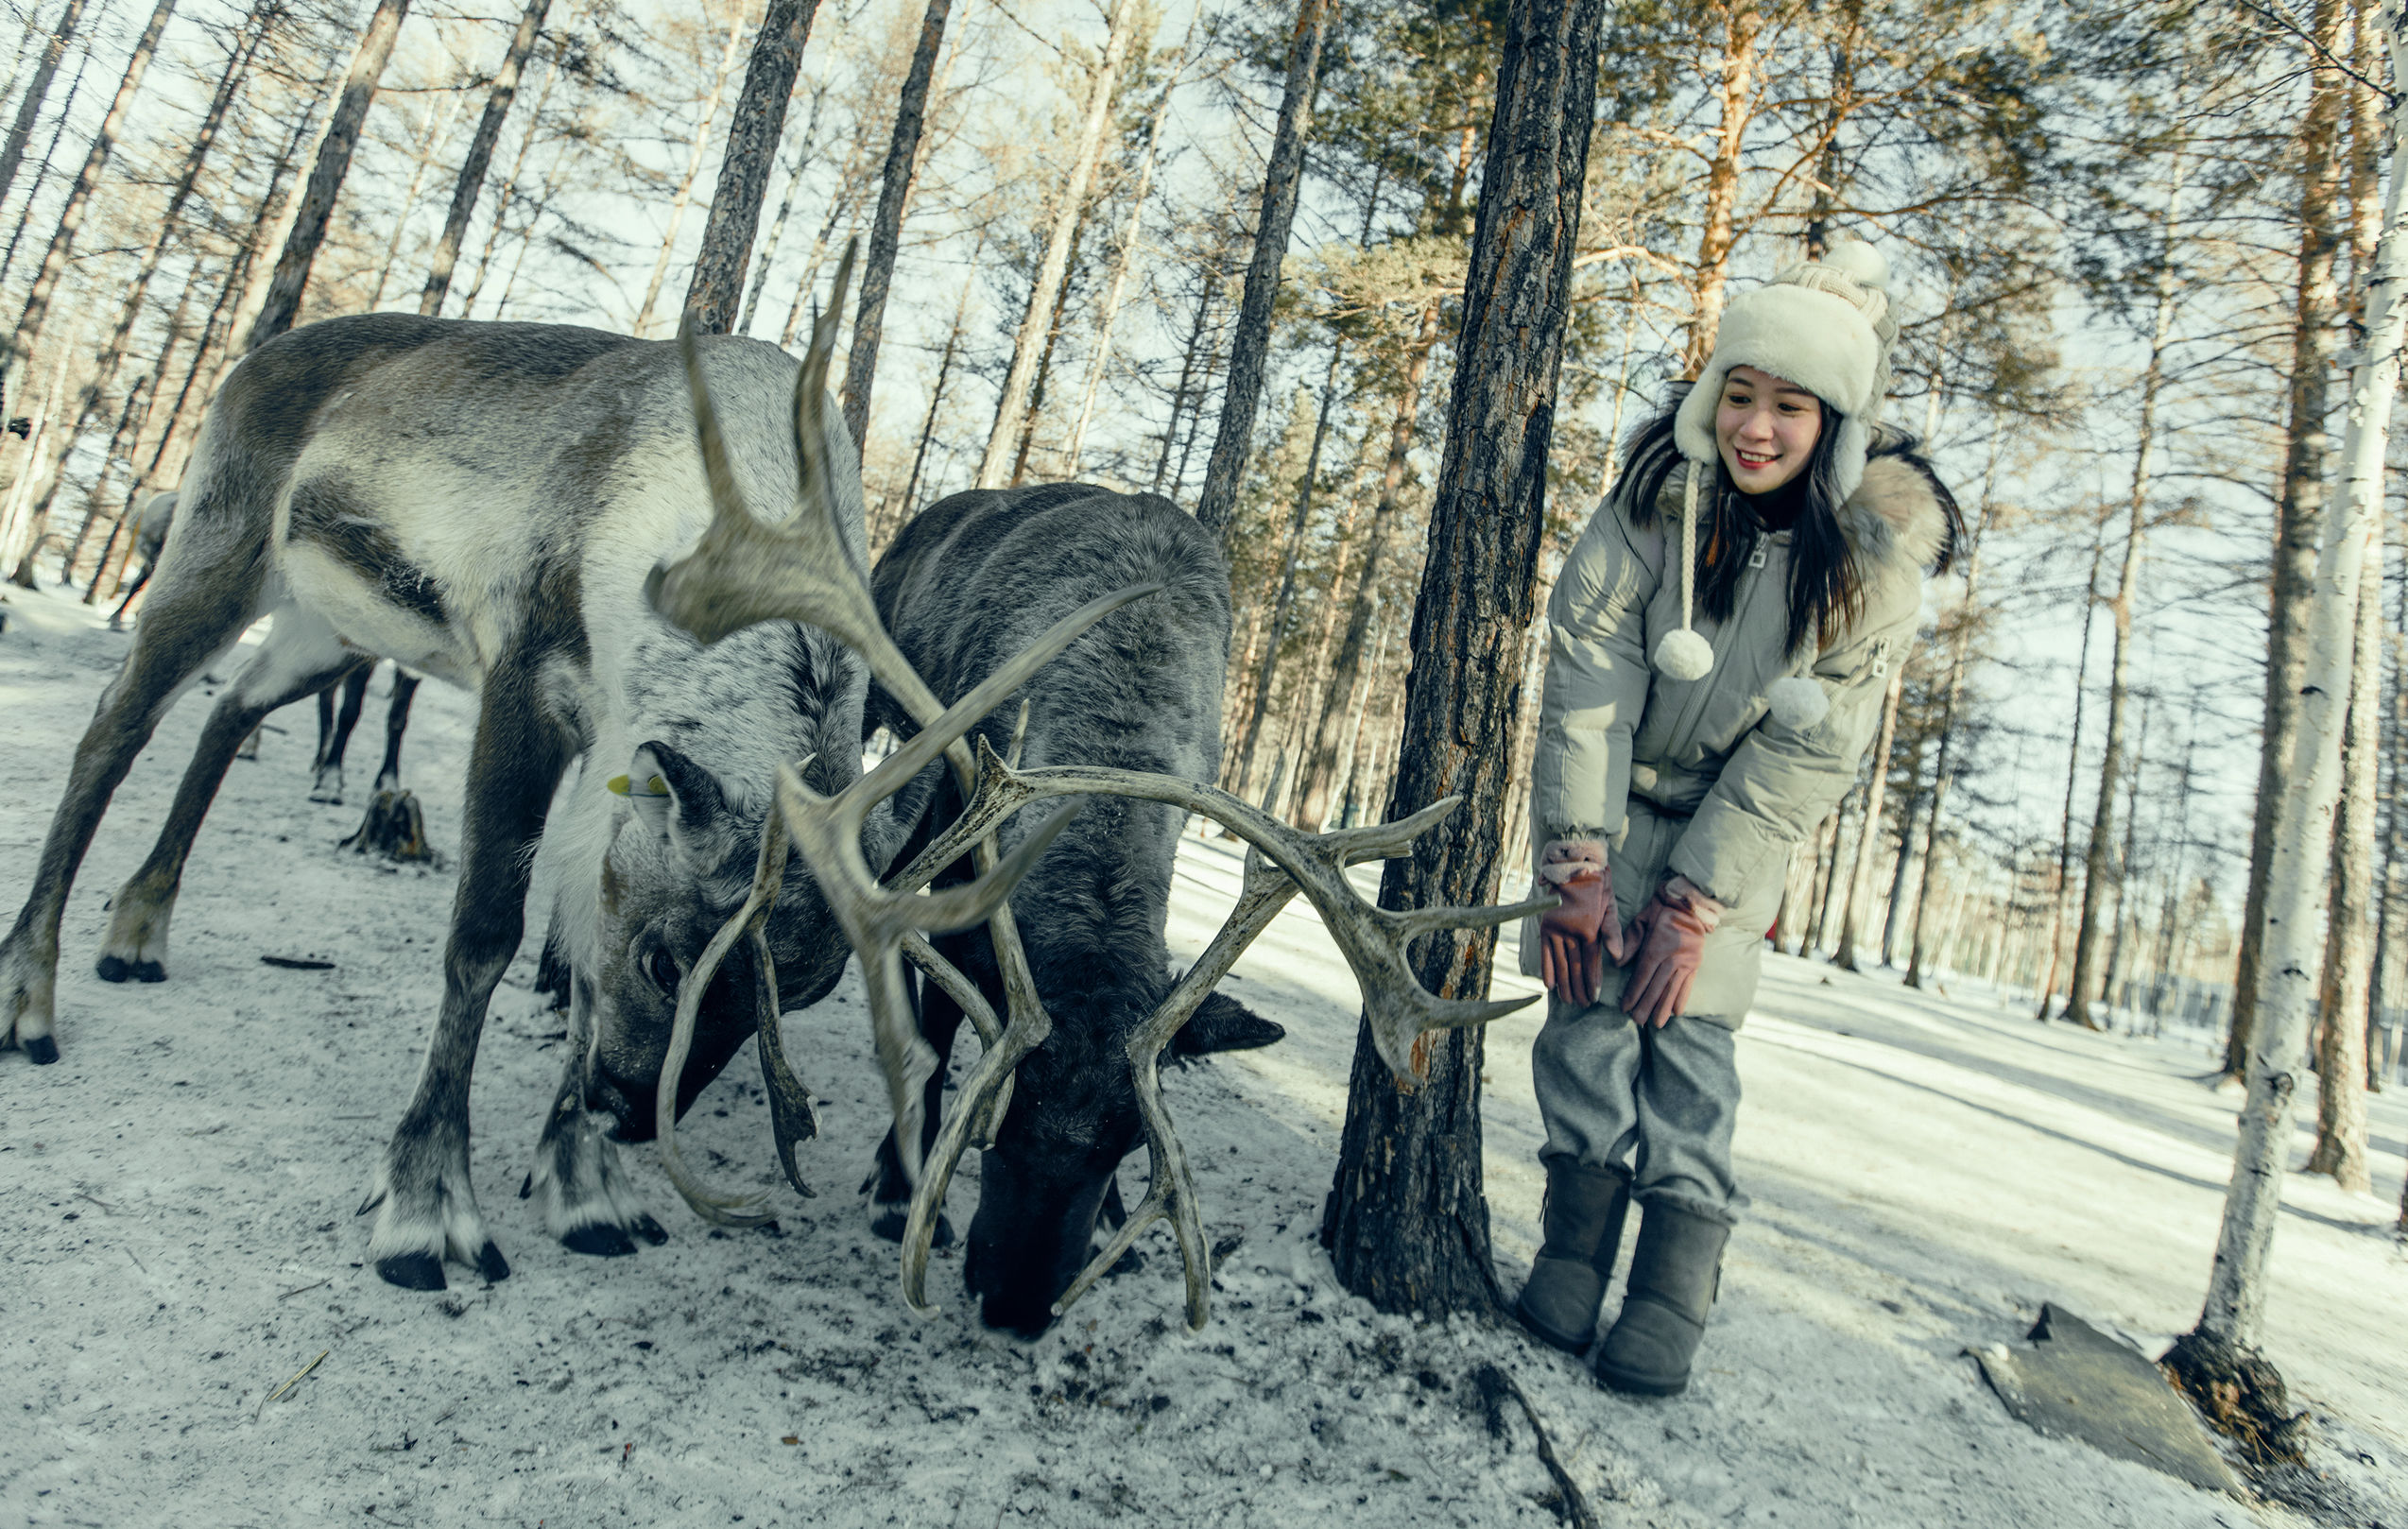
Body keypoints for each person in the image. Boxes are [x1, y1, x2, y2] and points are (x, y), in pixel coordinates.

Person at [1514, 242, 1962, 1397]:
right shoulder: (1645, 512)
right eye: (1742, 395)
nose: (1758, 427)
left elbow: (1807, 751)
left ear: (1838, 427)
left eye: (1792, 408)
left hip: (1732, 834)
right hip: (1608, 808)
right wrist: (1578, 861)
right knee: (1584, 1025)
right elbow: (1588, 685)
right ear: (1713, 395)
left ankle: (1669, 1291)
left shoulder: (1871, 571)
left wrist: (1694, 900)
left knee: (1689, 1052)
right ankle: (1572, 1251)